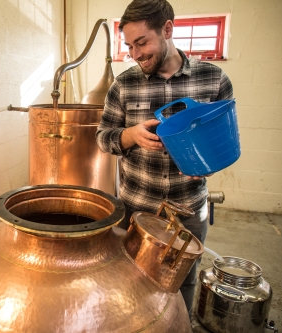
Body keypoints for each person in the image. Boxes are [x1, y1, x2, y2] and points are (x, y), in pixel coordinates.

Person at [95, 0, 233, 316]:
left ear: (167, 29)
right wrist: (130, 136)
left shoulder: (213, 81)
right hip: (137, 210)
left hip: (187, 210)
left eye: (141, 42)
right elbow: (103, 137)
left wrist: (208, 162)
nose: (135, 54)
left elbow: (223, 140)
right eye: (129, 46)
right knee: (132, 281)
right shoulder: (124, 84)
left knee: (182, 283)